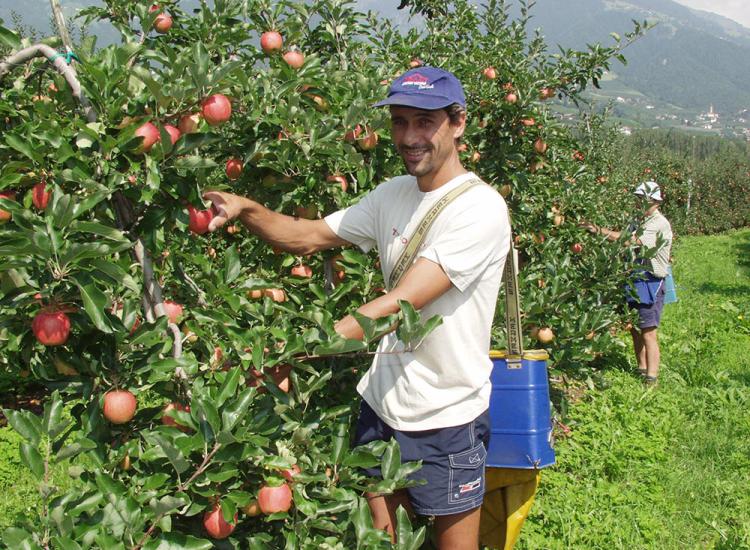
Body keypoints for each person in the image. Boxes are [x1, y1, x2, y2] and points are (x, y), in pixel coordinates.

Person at [204, 66, 510, 549]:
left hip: (446, 414)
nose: (409, 136)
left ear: (458, 123)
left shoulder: (480, 210)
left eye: (424, 122)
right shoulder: (393, 194)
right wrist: (247, 209)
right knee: (385, 543)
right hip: (382, 403)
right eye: (399, 121)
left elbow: (400, 302)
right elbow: (307, 237)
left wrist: (298, 351)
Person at [580, 181, 673, 385]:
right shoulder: (638, 221)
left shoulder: (658, 223)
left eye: (644, 199)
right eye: (638, 199)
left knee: (648, 331)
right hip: (633, 280)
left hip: (650, 282)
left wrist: (598, 230)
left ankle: (652, 377)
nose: (640, 202)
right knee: (633, 327)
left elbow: (630, 241)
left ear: (655, 201)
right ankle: (641, 368)